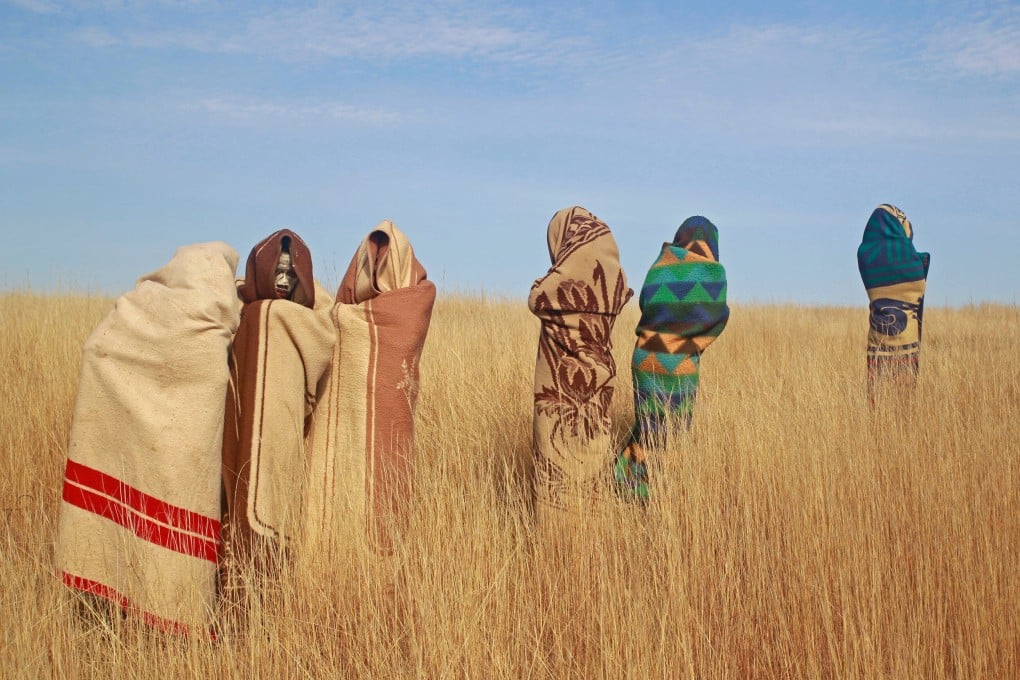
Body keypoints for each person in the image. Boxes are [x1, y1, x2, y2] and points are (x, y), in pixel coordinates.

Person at [54, 242, 241, 638]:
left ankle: (142, 615)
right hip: (182, 457)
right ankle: (160, 613)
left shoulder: (141, 306)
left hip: (177, 452)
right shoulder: (220, 319)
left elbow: (97, 351)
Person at [303, 221, 436, 554]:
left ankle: (373, 573)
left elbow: (390, 334)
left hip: (390, 418)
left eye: (387, 260)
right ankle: (331, 561)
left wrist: (339, 317)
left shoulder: (413, 301)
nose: (378, 267)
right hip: (342, 418)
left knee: (386, 482)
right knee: (334, 481)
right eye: (372, 259)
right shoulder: (342, 314)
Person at [220, 230, 335, 584]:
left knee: (276, 503)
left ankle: (273, 590)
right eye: (277, 272)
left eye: (291, 274)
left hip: (283, 435)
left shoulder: (311, 317)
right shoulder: (238, 310)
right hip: (235, 424)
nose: (284, 281)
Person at [613, 217, 730, 501]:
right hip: (680, 364)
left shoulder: (660, 266)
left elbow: (645, 304)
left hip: (645, 355)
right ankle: (652, 499)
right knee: (671, 438)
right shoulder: (711, 273)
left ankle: (626, 487)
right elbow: (718, 318)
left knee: (648, 429)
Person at [529, 206, 632, 519]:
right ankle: (588, 538)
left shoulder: (559, 285)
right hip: (600, 383)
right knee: (591, 451)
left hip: (560, 388)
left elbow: (537, 298)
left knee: (555, 457)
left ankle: (557, 540)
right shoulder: (614, 281)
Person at [856, 204, 930, 402]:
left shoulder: (865, 255)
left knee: (879, 399)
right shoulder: (909, 261)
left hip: (877, 344)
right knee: (904, 400)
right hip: (906, 339)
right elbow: (919, 280)